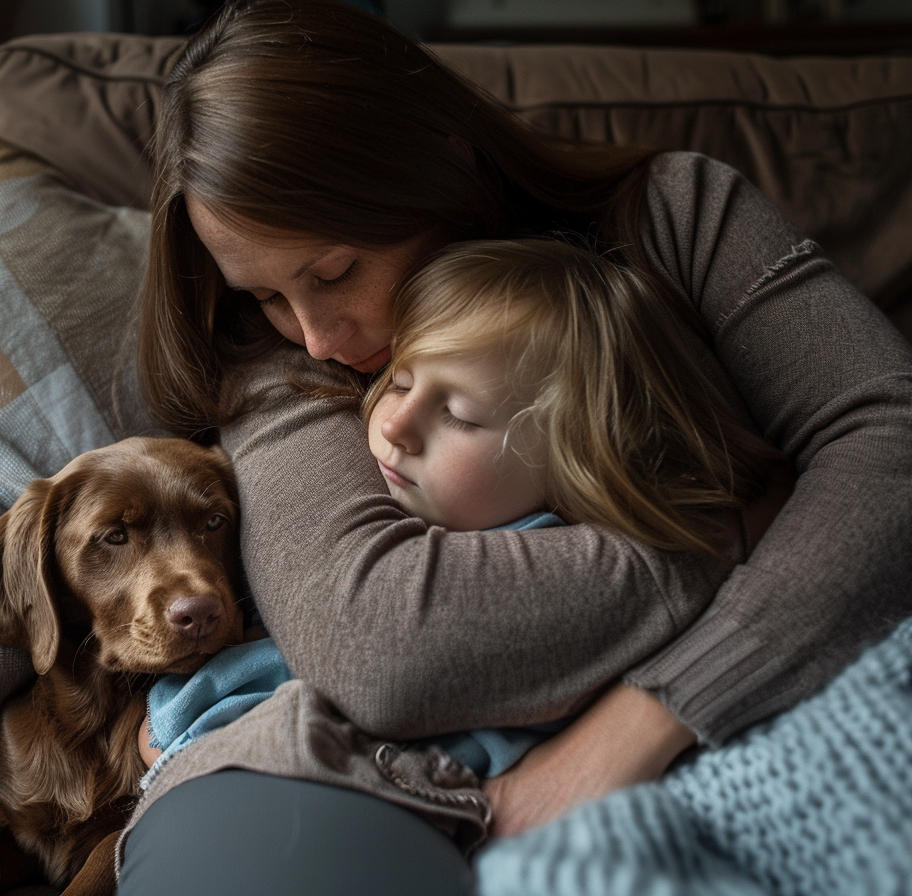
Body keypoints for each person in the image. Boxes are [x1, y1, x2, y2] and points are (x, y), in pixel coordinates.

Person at [119, 1, 912, 893]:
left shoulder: (672, 216)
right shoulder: (261, 353)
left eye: (336, 271)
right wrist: (751, 518)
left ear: (440, 163)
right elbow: (381, 643)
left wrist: (651, 716)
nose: (316, 337)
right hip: (330, 775)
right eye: (267, 294)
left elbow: (908, 457)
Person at [135, 236, 790, 787]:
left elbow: (380, 719)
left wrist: (185, 725)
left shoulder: (539, 570)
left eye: (459, 415)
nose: (396, 425)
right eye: (398, 380)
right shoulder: (387, 515)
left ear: (576, 462)